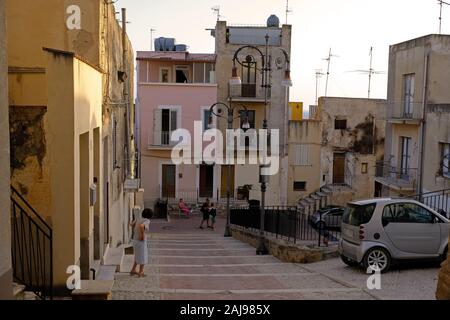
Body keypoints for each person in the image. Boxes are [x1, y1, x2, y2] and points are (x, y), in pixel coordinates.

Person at [130, 208, 153, 277]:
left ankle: (133, 270)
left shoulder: (138, 219)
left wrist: (136, 230)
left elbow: (131, 224)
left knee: (137, 255)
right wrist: (142, 235)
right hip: (141, 241)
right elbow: (141, 226)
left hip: (135, 240)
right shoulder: (147, 220)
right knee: (143, 255)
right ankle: (141, 272)